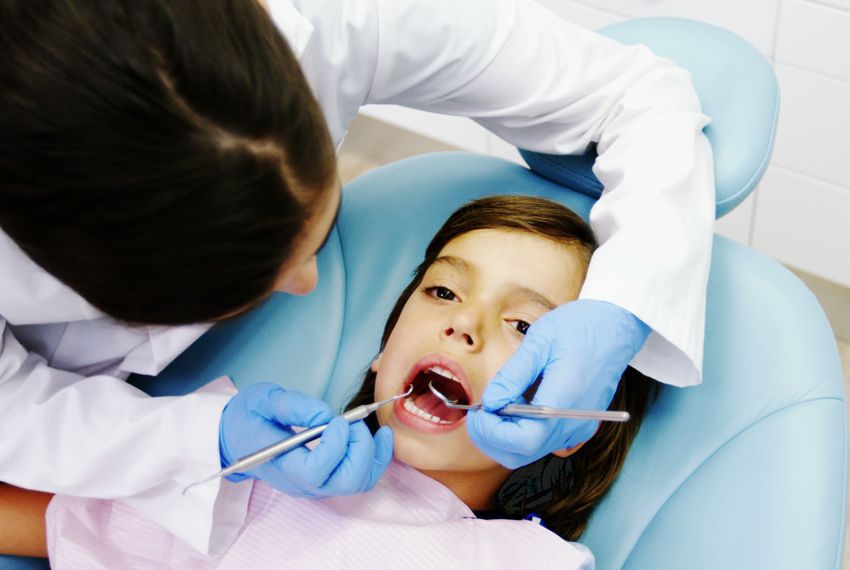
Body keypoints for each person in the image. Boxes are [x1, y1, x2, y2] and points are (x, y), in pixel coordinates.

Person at [0, 0, 714, 555]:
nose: (310, 282)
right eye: (441, 290)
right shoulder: (232, 501)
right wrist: (198, 442)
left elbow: (639, 95)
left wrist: (624, 307)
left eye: (526, 325)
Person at [0, 197, 656, 568]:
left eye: (521, 325)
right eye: (443, 290)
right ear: (383, 355)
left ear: (577, 418)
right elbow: (46, 521)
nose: (463, 325)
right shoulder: (242, 473)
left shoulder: (521, 562)